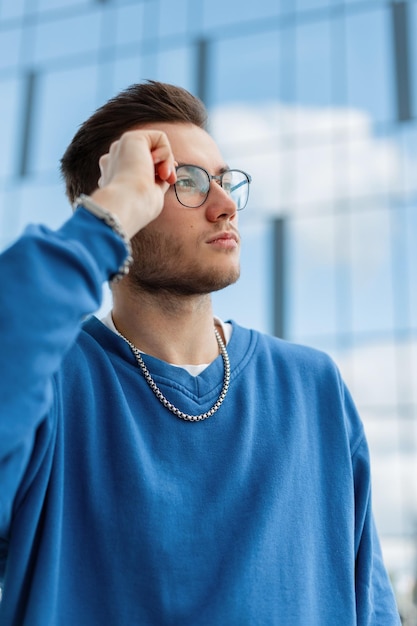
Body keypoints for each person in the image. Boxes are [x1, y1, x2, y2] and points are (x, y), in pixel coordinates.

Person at [0, 80, 400, 626]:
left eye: (224, 180)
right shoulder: (53, 385)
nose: (224, 205)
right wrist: (106, 217)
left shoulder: (313, 385)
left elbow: (369, 605)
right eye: (183, 181)